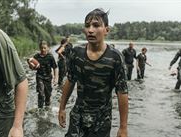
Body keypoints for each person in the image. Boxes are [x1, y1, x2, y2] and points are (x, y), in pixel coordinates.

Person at [58, 8, 128, 137]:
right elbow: (70, 80)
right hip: (78, 115)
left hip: (101, 119)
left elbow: (122, 92)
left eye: (96, 25)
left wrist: (123, 128)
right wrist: (62, 108)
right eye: (87, 26)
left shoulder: (115, 57)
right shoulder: (77, 53)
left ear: (106, 30)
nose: (90, 30)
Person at [28, 40, 57, 108]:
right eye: (41, 48)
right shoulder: (36, 56)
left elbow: (55, 68)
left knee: (48, 94)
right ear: (39, 48)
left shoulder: (50, 56)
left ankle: (47, 108)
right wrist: (30, 64)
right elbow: (32, 68)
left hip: (48, 77)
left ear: (48, 48)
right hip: (39, 76)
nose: (43, 49)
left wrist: (56, 78)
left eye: (44, 48)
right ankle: (40, 108)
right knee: (41, 93)